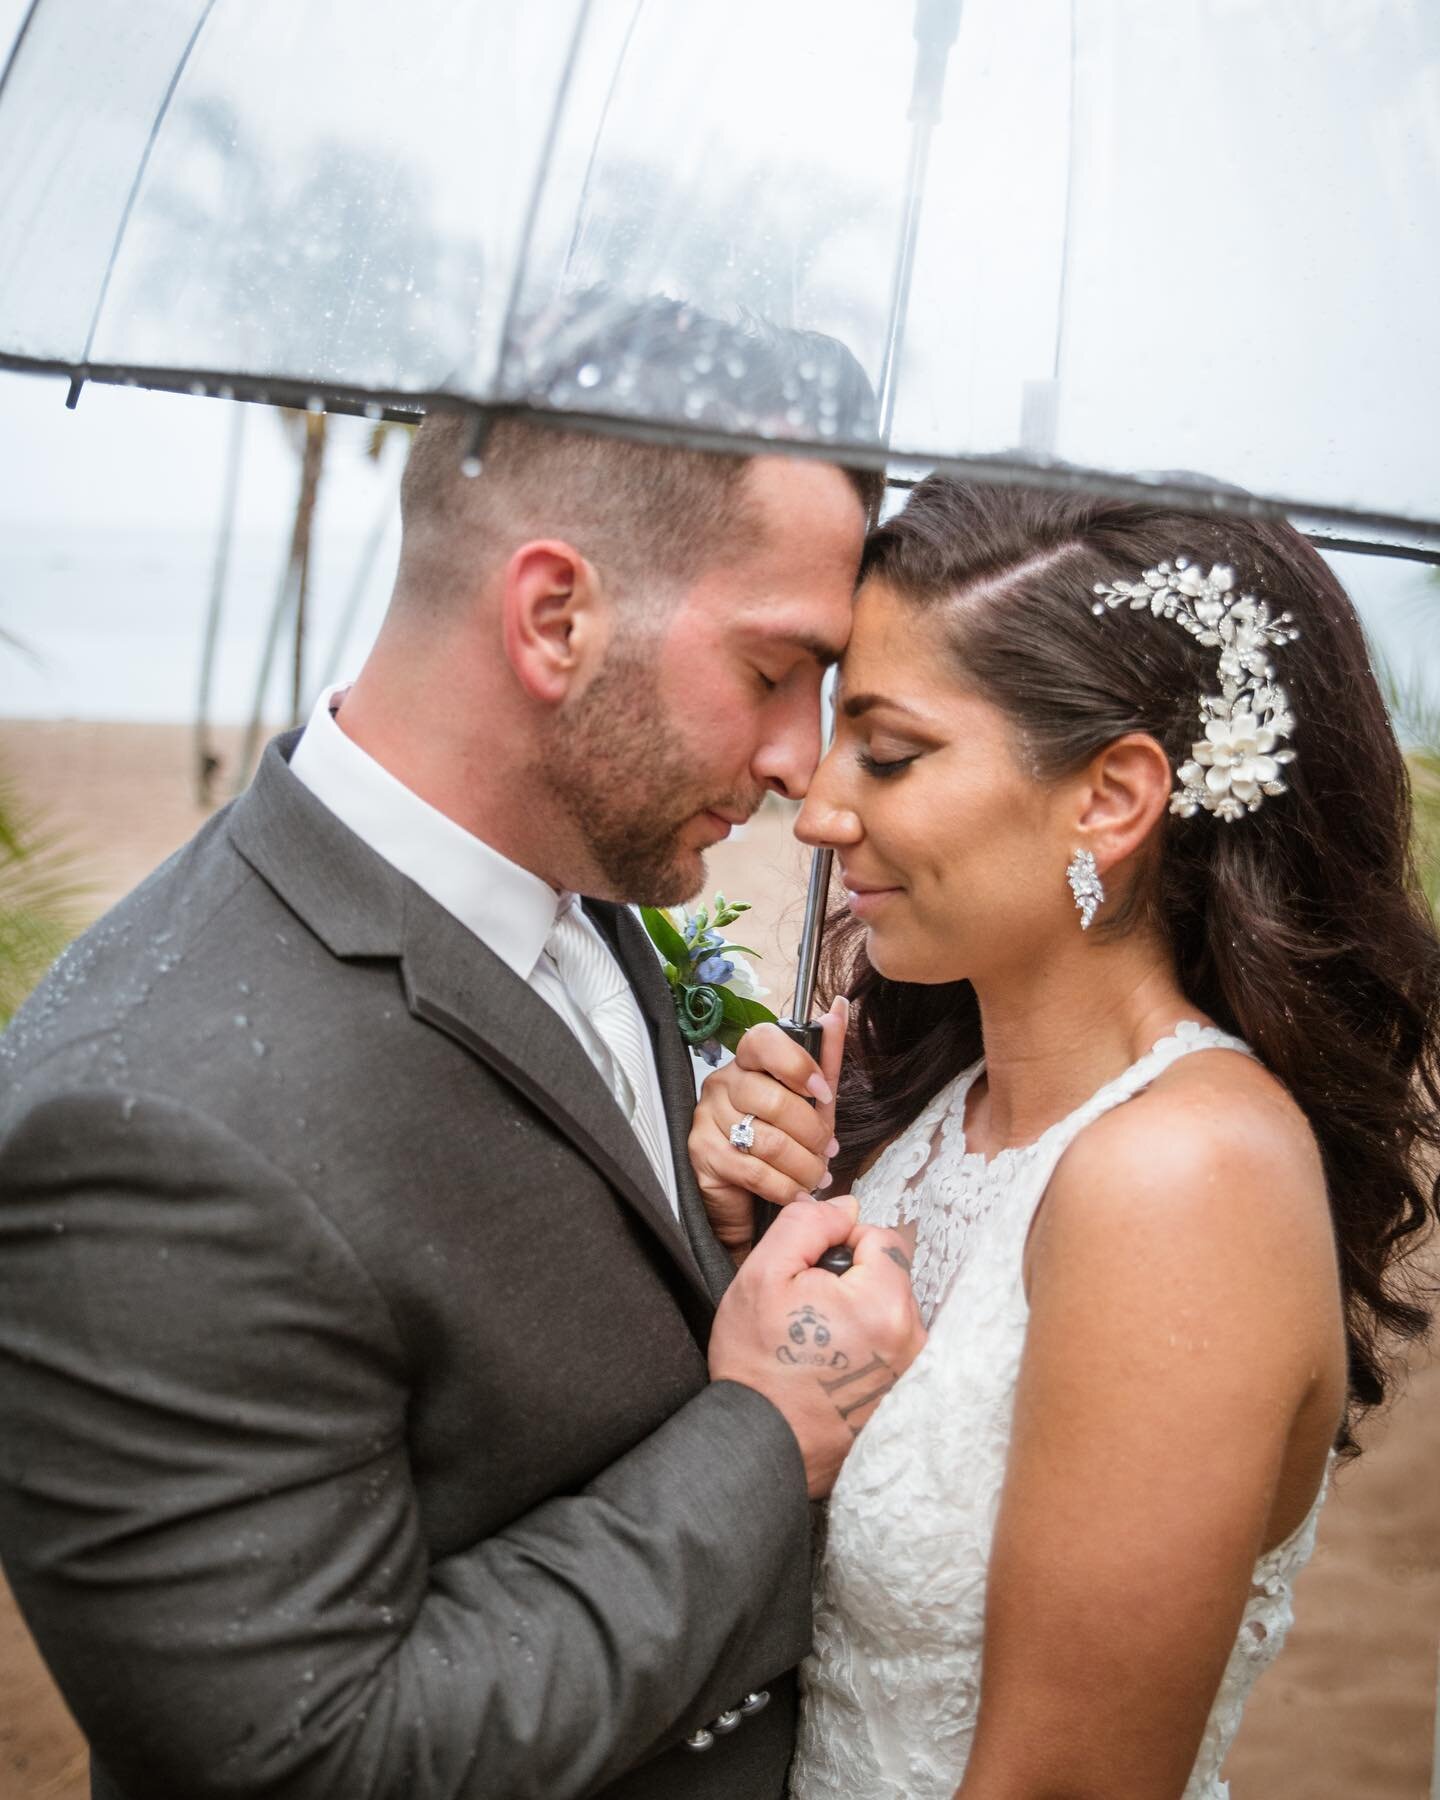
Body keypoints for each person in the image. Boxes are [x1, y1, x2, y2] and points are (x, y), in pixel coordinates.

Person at [0, 302, 927, 1800]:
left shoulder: (579, 871)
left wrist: (714, 1216)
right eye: (773, 671)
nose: (798, 762)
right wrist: (768, 1429)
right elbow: (312, 1757)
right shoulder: (138, 1121)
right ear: (555, 617)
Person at [690, 476, 1440, 1798]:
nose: (816, 806)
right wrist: (742, 1227)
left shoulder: (1184, 1183)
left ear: (1113, 796)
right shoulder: (926, 1120)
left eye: (890, 752)